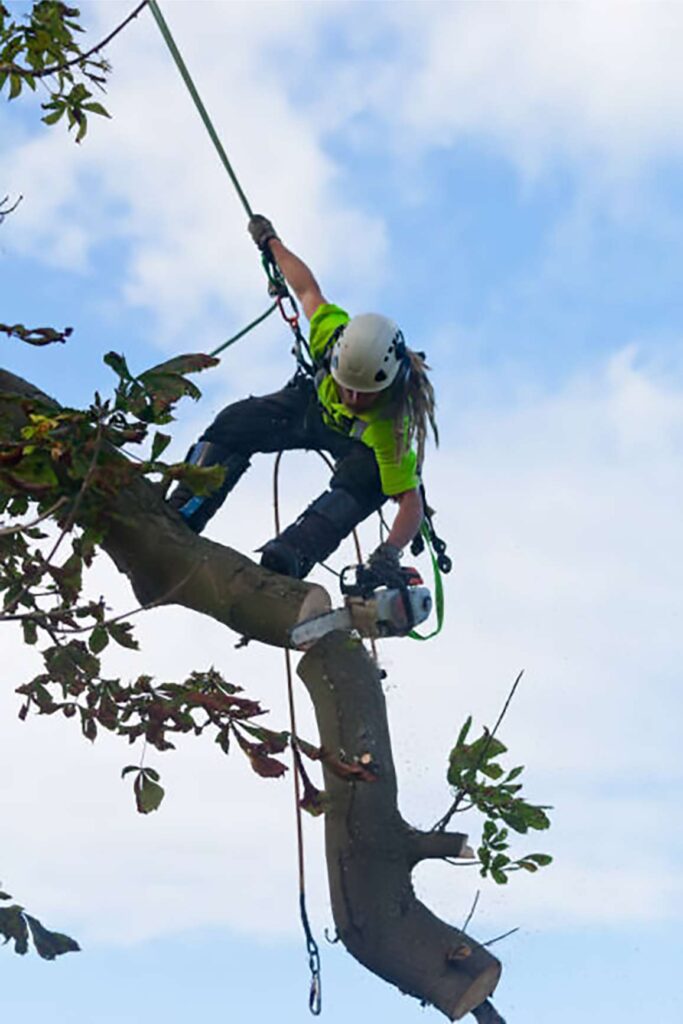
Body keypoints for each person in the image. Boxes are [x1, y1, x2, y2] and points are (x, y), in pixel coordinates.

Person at [168, 215, 438, 582]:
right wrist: (271, 243)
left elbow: (411, 502)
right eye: (349, 386)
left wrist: (388, 554)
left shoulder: (392, 425)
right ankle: (187, 506)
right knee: (235, 422)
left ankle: (294, 552)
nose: (355, 397)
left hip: (358, 447)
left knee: (370, 481)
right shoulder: (331, 336)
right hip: (310, 407)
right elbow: (307, 289)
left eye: (366, 393)